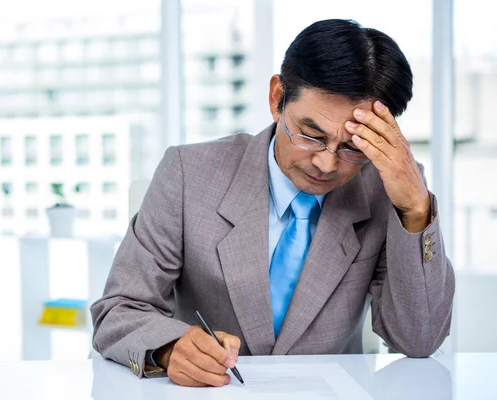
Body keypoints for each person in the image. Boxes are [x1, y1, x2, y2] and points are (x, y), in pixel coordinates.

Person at [90, 18, 455, 387]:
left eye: (352, 147)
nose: (326, 164)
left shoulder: (385, 189)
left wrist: (415, 209)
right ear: (277, 98)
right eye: (311, 135)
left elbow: (419, 340)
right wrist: (169, 348)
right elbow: (118, 311)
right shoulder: (189, 174)